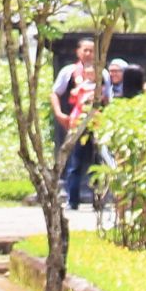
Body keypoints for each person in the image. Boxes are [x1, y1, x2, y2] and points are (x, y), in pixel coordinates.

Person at [50, 38, 110, 210]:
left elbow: (110, 98)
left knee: (98, 162)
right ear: (78, 52)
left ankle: (98, 199)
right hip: (76, 122)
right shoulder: (68, 72)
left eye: (92, 51)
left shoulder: (103, 74)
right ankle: (72, 200)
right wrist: (59, 113)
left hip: (98, 123)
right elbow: (55, 93)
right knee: (74, 162)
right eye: (86, 50)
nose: (89, 54)